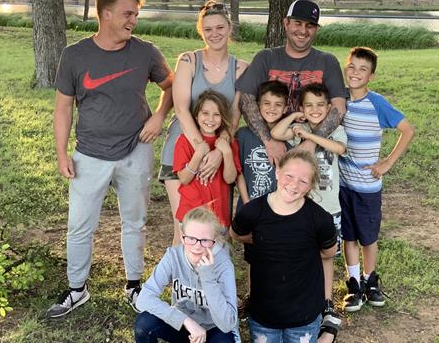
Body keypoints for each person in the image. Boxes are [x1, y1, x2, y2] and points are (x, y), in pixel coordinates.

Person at [47, 0, 173, 318]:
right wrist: (62, 153)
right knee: (79, 225)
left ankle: (134, 286)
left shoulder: (146, 52)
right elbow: (63, 107)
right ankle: (77, 289)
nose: (134, 20)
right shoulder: (75, 55)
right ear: (106, 14)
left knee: (135, 221)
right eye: (127, 14)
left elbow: (171, 85)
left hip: (136, 150)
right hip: (89, 154)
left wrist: (159, 115)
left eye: (136, 14)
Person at [159, 0, 248, 245]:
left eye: (220, 27)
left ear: (229, 27)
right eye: (208, 29)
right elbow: (181, 108)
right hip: (184, 149)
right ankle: (180, 272)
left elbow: (234, 116)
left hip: (219, 153)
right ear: (201, 31)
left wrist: (219, 152)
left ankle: (214, 271)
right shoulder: (189, 61)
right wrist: (202, 149)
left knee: (215, 229)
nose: (214, 34)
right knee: (185, 229)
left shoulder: (241, 68)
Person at [231, 149, 339, 343]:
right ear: (277, 171)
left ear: (310, 186)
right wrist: (267, 240)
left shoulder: (320, 219)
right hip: (263, 314)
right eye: (289, 176)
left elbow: (328, 252)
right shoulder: (252, 211)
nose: (294, 184)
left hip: (304, 314)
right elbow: (236, 234)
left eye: (303, 181)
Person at [339, 47, 415, 312]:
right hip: (343, 184)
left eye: (363, 69)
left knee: (368, 237)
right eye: (352, 66)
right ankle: (354, 284)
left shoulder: (377, 103)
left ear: (371, 76)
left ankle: (370, 281)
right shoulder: (339, 100)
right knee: (348, 235)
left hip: (367, 187)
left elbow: (407, 130)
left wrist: (387, 163)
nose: (355, 73)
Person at [236, 0, 348, 165]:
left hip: (313, 142)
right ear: (286, 23)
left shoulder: (327, 61)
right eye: (298, 23)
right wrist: (269, 141)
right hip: (271, 141)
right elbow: (246, 102)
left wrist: (311, 142)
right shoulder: (266, 58)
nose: (303, 30)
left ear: (316, 29)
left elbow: (339, 107)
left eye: (310, 25)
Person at [134, 207, 238, 343]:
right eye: (191, 238)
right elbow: (143, 299)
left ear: (214, 241)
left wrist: (208, 278)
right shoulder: (173, 256)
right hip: (183, 325)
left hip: (214, 328)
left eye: (205, 240)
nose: (197, 246)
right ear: (183, 237)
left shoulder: (223, 264)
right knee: (144, 324)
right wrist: (185, 321)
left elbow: (227, 324)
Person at [270, 83, 346, 255]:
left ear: (328, 107)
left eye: (320, 105)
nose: (315, 110)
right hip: (302, 204)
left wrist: (310, 137)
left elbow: (340, 148)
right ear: (302, 108)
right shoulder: (300, 128)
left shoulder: (336, 129)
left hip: (329, 205)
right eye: (309, 105)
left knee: (328, 254)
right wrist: (294, 116)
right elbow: (276, 133)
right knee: (302, 251)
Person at [173, 90, 241, 228]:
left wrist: (227, 152)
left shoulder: (229, 142)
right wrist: (198, 154)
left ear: (223, 117)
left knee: (218, 242)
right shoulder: (184, 141)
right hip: (191, 213)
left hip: (218, 215)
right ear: (196, 116)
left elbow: (230, 179)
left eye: (217, 114)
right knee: (193, 242)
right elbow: (184, 179)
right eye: (205, 113)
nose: (210, 119)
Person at [236, 80, 289, 208]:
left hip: (278, 208)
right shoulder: (243, 135)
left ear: (285, 108)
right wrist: (247, 204)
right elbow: (238, 172)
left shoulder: (289, 137)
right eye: (267, 103)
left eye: (278, 104)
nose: (272, 108)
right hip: (247, 204)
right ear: (258, 105)